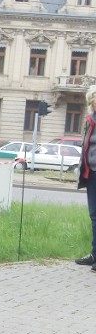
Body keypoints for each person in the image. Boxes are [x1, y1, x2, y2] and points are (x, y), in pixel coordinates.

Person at [76, 84, 96, 270]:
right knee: (94, 215)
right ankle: (94, 255)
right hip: (91, 174)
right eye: (92, 100)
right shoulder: (89, 120)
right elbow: (85, 146)